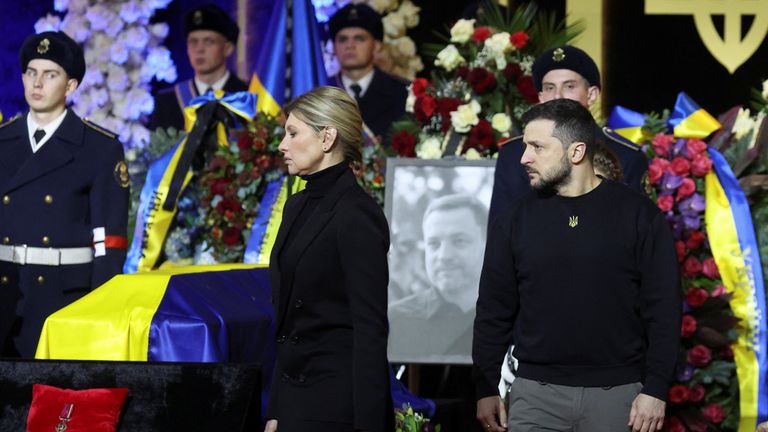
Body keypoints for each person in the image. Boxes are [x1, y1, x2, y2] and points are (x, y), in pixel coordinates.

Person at [473, 99, 681, 432]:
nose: (524, 158)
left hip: (621, 397)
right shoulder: (514, 220)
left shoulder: (639, 216)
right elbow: (493, 311)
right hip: (534, 396)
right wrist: (484, 387)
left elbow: (664, 310)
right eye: (525, 146)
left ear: (576, 152)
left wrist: (656, 388)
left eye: (537, 147)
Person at [264, 86, 392, 432]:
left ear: (327, 137)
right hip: (293, 400)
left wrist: (369, 424)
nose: (282, 145)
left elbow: (370, 328)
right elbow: (288, 324)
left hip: (335, 405)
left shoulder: (356, 214)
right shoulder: (296, 206)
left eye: (293, 133)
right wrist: (276, 409)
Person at [0, 31, 129, 358]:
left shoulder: (99, 147)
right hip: (5, 290)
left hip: (62, 296)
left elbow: (108, 240)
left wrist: (99, 308)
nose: (37, 83)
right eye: (31, 73)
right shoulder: (3, 140)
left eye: (50, 74)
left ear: (70, 86)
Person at [488, 45, 648, 222]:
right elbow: (499, 231)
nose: (558, 96)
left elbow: (637, 233)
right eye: (549, 88)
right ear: (540, 98)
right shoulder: (513, 154)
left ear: (592, 94)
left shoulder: (627, 156)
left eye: (569, 86)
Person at [389, 194, 487, 360]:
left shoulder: (516, 321)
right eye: (434, 244)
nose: (443, 256)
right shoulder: (394, 321)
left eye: (459, 241)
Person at [149, 3, 248, 131]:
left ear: (227, 48)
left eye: (208, 41)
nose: (199, 49)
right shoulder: (168, 101)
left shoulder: (248, 97)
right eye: (193, 42)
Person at [328, 3, 408, 143]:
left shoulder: (403, 94)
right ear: (334, 47)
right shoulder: (319, 93)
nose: (350, 45)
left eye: (359, 38)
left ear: (376, 46)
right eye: (343, 39)